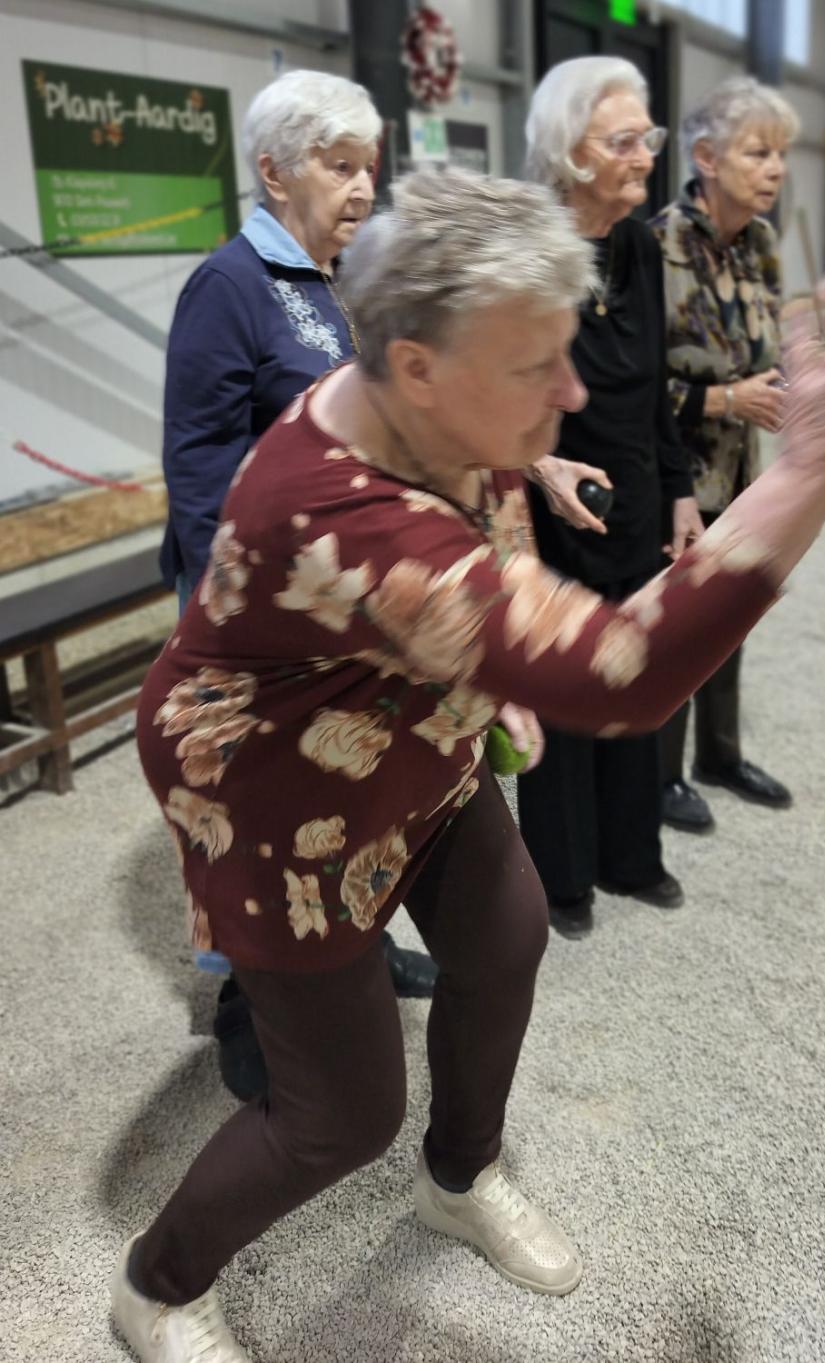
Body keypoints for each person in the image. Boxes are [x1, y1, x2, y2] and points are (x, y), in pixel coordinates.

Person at [110, 165, 825, 1362]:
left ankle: (459, 1176)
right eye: (538, 369)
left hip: (404, 726)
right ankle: (158, 1284)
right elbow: (620, 673)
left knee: (506, 933)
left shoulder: (412, 401)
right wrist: (808, 473)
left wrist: (526, 503)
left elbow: (489, 475)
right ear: (416, 363)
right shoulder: (347, 520)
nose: (569, 391)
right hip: (274, 795)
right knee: (341, 1111)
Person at [159, 70, 437, 1100]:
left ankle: (357, 949)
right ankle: (247, 1012)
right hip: (262, 625)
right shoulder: (228, 288)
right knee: (252, 821)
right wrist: (233, 627)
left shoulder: (343, 279)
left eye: (369, 164)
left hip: (352, 614)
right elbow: (198, 472)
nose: (363, 185)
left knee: (349, 800)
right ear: (273, 171)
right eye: (338, 163)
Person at [517, 56, 706, 940]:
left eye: (650, 138)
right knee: (562, 684)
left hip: (631, 503)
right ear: (571, 152)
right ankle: (562, 877)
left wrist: (679, 492)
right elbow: (490, 394)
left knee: (636, 675)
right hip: (551, 513)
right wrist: (536, 465)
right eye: (624, 140)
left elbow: (656, 383)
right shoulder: (524, 251)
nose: (645, 156)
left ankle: (632, 854)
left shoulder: (637, 245)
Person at [653, 77, 800, 828]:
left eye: (781, 154)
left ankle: (720, 752)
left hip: (745, 468)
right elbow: (634, 385)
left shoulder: (764, 244)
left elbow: (767, 349)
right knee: (681, 622)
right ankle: (662, 775)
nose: (775, 168)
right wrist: (724, 399)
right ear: (707, 157)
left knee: (733, 616)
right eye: (758, 152)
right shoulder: (658, 245)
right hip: (674, 472)